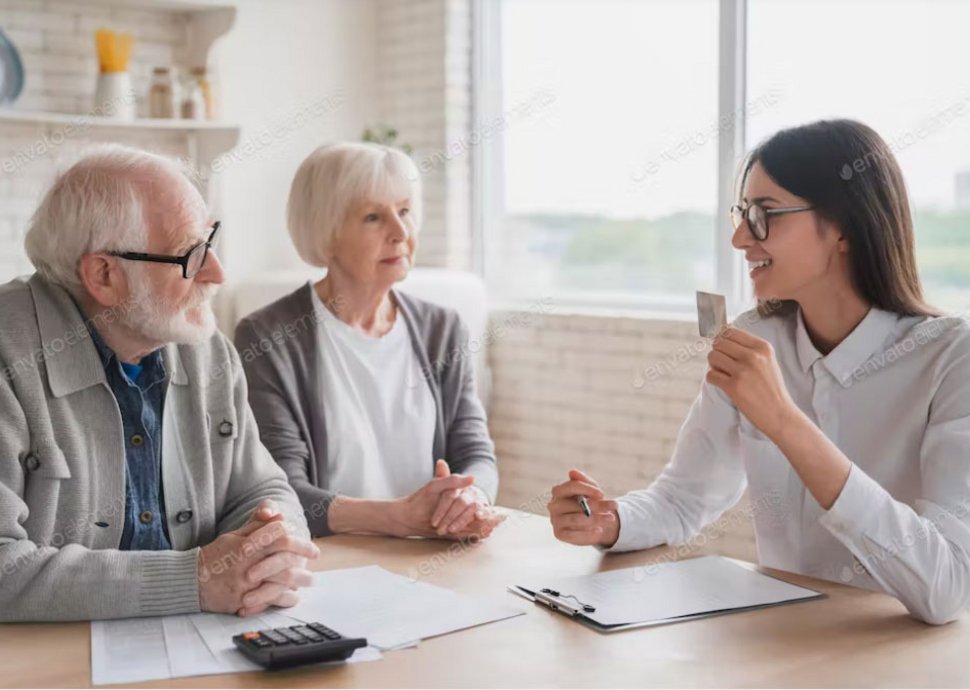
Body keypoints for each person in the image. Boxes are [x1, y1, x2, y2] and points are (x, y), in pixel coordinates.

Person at [548, 119, 970, 625]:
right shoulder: (755, 340)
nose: (739, 237)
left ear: (842, 228)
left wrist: (784, 421)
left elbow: (945, 588)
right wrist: (613, 523)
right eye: (741, 213)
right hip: (781, 644)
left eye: (764, 214)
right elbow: (683, 500)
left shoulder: (950, 358)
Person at [0, 145, 318, 622]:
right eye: (190, 254)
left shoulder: (204, 346)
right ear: (104, 275)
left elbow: (260, 488)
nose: (216, 272)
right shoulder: (9, 357)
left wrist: (273, 546)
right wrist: (194, 581)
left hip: (204, 647)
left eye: (209, 242)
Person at [235, 142, 503, 540]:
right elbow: (280, 493)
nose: (400, 232)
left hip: (431, 554)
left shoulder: (442, 329)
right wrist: (396, 517)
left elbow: (476, 453)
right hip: (331, 562)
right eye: (374, 217)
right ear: (326, 234)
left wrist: (470, 498)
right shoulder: (268, 337)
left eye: (405, 211)